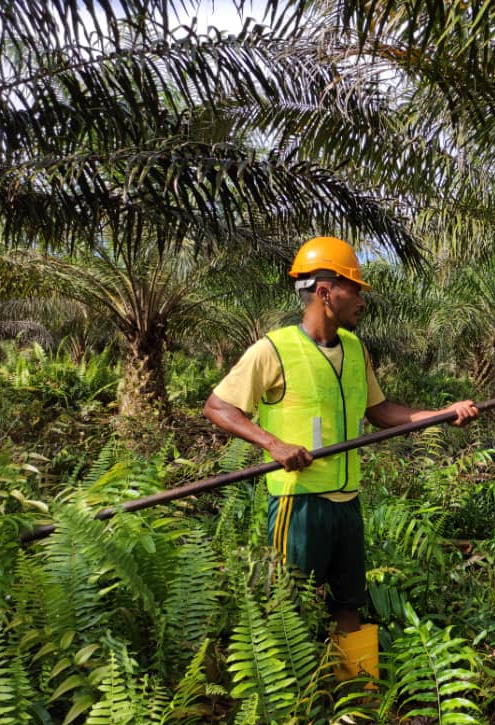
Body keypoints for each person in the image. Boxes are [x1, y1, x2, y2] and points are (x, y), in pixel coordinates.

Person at [204, 237, 478, 666]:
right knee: (291, 610)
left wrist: (442, 413)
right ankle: (292, 710)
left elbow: (382, 412)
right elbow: (218, 407)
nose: (362, 300)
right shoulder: (273, 349)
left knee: (349, 604)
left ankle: (357, 704)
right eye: (355, 288)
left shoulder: (354, 349)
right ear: (325, 292)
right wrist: (274, 445)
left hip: (347, 503)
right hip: (299, 505)